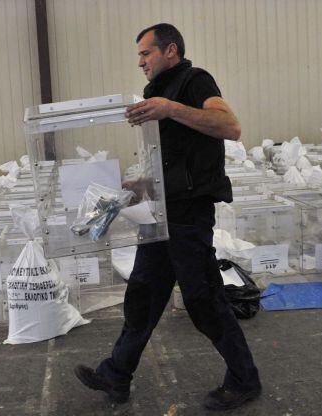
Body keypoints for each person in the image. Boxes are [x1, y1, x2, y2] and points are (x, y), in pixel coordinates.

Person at [74, 23, 262, 411]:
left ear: (170, 50)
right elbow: (172, 160)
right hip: (159, 211)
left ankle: (245, 380)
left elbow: (231, 126)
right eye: (139, 56)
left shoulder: (194, 81)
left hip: (188, 214)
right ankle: (116, 373)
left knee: (203, 298)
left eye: (146, 53)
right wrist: (140, 184)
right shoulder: (154, 94)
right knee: (143, 293)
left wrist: (170, 108)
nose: (140, 61)